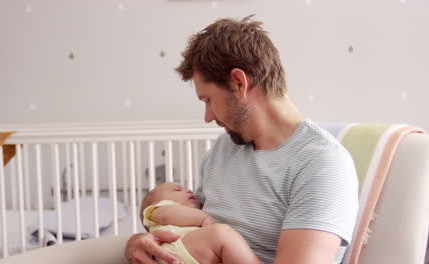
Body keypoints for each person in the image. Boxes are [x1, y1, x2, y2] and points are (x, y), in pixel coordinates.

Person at [126, 15, 358, 264]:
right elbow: (188, 228)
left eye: (208, 100)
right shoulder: (223, 150)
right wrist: (137, 244)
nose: (208, 117)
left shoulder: (321, 165)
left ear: (239, 83)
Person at [140, 181, 261, 264]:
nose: (188, 190)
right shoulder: (158, 210)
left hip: (186, 254)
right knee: (221, 233)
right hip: (177, 251)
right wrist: (204, 218)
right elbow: (167, 215)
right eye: (177, 190)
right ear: (154, 203)